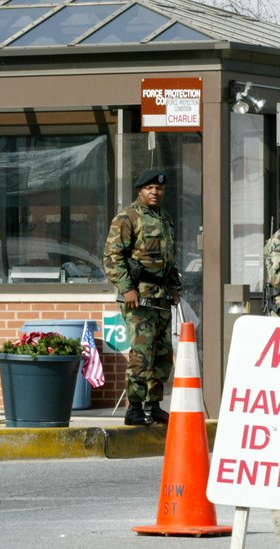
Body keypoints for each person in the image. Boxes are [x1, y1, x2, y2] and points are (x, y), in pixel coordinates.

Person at [103, 169, 181, 426]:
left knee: (161, 355)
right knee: (141, 354)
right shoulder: (127, 217)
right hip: (139, 297)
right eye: (149, 188)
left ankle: (154, 405)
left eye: (159, 188)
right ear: (140, 190)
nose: (155, 192)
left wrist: (173, 287)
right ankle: (134, 408)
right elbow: (112, 257)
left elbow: (169, 259)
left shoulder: (165, 219)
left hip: (161, 297)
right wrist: (127, 289)